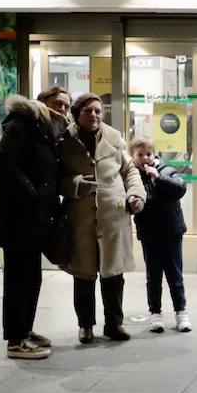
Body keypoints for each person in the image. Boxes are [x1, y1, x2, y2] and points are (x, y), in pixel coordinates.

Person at [0, 85, 71, 360]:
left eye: (67, 106)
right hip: (18, 219)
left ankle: (25, 330)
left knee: (31, 277)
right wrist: (31, 193)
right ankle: (15, 340)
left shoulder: (45, 130)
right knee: (18, 279)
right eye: (58, 103)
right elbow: (2, 161)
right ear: (42, 102)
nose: (63, 109)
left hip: (33, 219)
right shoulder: (24, 122)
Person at [59, 93, 143, 343]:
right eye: (88, 111)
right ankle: (85, 326)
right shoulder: (65, 140)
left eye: (97, 111)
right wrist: (73, 184)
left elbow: (129, 171)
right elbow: (55, 178)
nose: (94, 115)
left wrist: (135, 195)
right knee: (83, 276)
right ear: (77, 114)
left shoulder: (114, 137)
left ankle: (114, 324)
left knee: (114, 275)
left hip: (113, 216)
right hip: (80, 219)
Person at [129, 137, 190, 334]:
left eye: (148, 154)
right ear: (133, 157)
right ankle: (155, 313)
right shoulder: (133, 178)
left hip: (172, 232)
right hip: (149, 234)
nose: (145, 158)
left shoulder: (166, 170)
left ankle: (181, 312)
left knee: (175, 275)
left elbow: (180, 189)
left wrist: (158, 177)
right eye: (140, 155)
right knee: (153, 276)